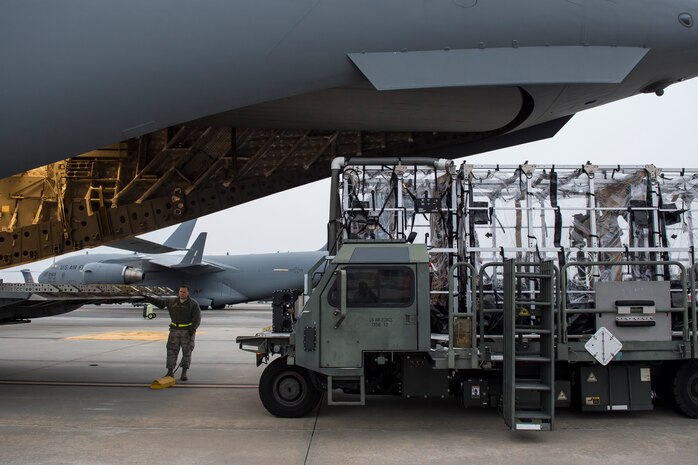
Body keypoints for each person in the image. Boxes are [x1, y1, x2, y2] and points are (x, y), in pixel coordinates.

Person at [147, 284, 201, 381]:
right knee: (171, 351)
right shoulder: (172, 301)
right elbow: (161, 304)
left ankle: (184, 373)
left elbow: (197, 318)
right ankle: (170, 372)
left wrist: (192, 329)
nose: (182, 293)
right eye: (180, 291)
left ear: (188, 293)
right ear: (178, 292)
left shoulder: (193, 304)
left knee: (187, 352)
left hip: (187, 332)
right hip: (174, 331)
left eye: (184, 292)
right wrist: (148, 298)